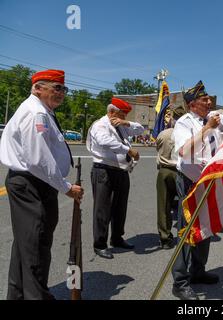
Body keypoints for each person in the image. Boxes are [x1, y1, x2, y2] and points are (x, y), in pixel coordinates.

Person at [0, 69, 84, 299]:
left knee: (25, 246)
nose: (62, 93)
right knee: (36, 246)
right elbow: (38, 158)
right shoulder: (36, 112)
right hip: (33, 184)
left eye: (63, 89)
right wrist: (65, 186)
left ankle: (17, 296)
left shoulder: (41, 110)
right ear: (38, 88)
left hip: (33, 183)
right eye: (56, 88)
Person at [171, 80, 223, 300]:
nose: (209, 102)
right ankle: (180, 281)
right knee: (187, 230)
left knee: (206, 227)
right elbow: (184, 152)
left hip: (208, 182)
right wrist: (207, 129)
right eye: (204, 99)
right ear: (192, 104)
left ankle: (198, 270)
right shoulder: (184, 123)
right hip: (190, 181)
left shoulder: (213, 118)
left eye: (209, 99)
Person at [86, 97, 144, 259]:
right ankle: (100, 243)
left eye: (124, 115)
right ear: (112, 112)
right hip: (104, 170)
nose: (124, 118)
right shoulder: (100, 125)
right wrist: (128, 150)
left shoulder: (121, 126)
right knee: (102, 209)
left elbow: (140, 130)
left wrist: (125, 123)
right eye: (122, 115)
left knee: (120, 208)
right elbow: (105, 142)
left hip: (121, 171)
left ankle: (117, 237)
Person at [155, 105, 186, 249]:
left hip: (165, 171)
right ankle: (184, 235)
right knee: (183, 205)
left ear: (173, 117)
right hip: (181, 171)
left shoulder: (164, 133)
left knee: (164, 206)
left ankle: (165, 237)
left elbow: (158, 148)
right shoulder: (187, 134)